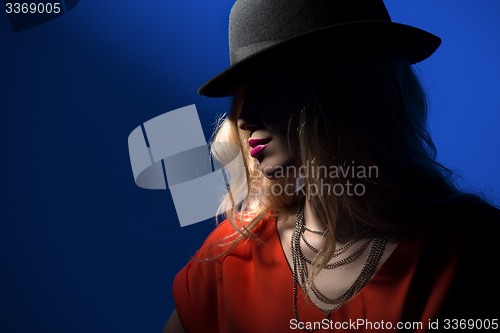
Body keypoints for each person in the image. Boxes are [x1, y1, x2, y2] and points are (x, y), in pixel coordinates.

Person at [164, 1, 500, 332]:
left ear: (345, 88)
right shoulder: (229, 260)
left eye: (266, 87)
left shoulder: (473, 250)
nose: (245, 117)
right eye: (241, 95)